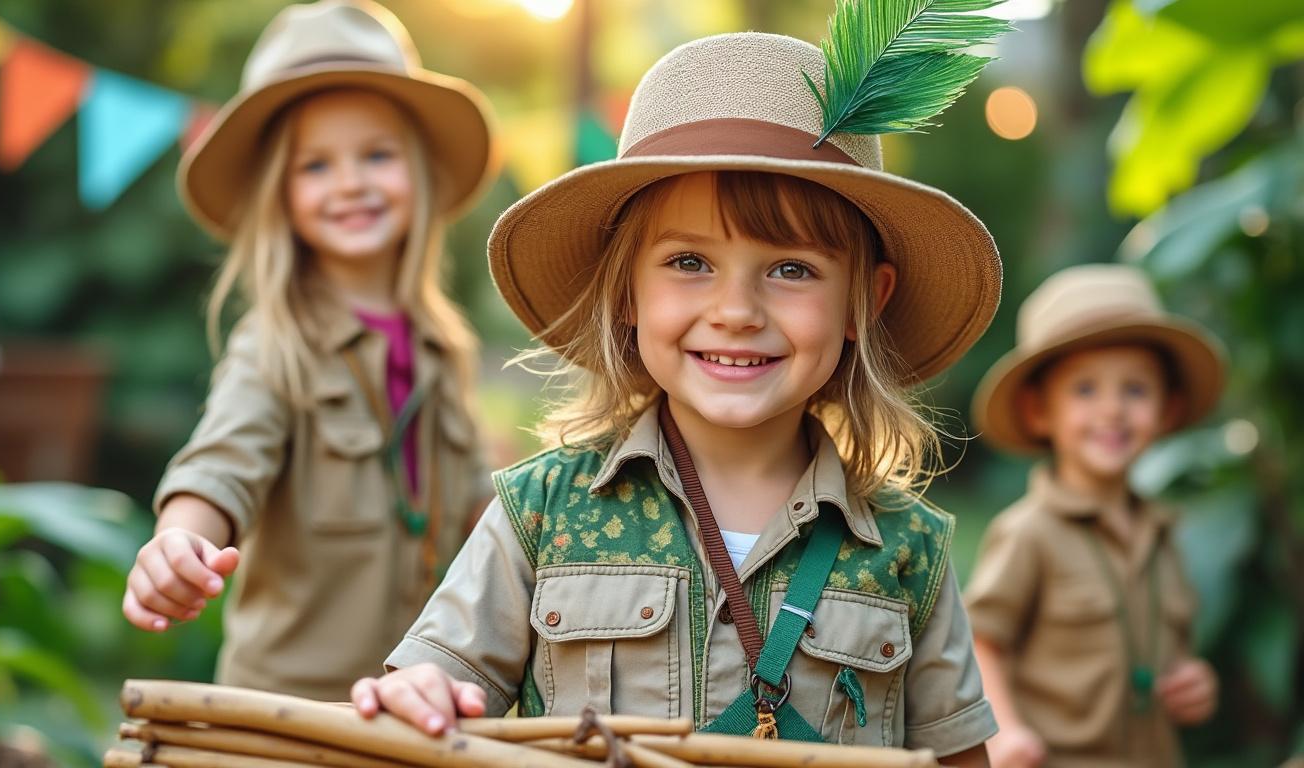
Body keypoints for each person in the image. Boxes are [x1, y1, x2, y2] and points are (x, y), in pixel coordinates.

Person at [351, 17, 1008, 763]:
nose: (735, 312)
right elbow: (433, 686)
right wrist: (419, 697)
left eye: (791, 269)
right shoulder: (539, 514)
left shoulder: (910, 550)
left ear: (867, 298)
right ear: (626, 290)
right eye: (690, 262)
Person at [120, 0, 498, 701]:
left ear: (417, 172)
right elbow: (220, 466)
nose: (350, 183)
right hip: (287, 718)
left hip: (422, 706)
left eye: (377, 155)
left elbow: (483, 504)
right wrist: (179, 540)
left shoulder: (443, 345)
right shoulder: (275, 343)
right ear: (280, 195)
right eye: (315, 166)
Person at [965, 264, 1223, 767]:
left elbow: (1168, 647)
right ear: (1040, 411)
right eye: (1085, 390)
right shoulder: (1029, 533)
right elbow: (981, 642)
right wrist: (1005, 732)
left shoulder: (1165, 534)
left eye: (1135, 390)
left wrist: (1194, 680)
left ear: (1167, 410)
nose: (1112, 411)